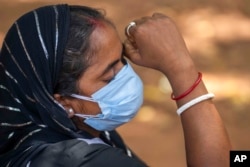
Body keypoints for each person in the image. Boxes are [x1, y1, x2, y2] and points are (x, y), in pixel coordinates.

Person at [0, 4, 231, 167]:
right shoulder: (87, 162)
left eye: (123, 60)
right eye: (109, 77)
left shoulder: (22, 140)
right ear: (62, 102)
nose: (127, 78)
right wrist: (181, 70)